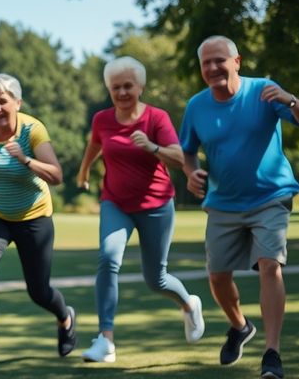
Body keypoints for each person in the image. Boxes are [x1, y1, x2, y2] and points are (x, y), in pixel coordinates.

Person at [180, 36, 299, 379]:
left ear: (237, 61)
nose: (213, 68)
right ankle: (240, 326)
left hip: (270, 197)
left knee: (270, 264)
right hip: (223, 203)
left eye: (219, 60)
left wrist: (288, 99)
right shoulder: (196, 106)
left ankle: (272, 353)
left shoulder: (264, 91)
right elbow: (187, 149)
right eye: (206, 63)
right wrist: (190, 171)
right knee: (217, 276)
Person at [76, 57, 205, 363]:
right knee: (108, 258)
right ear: (109, 89)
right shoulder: (102, 119)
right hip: (115, 203)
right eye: (115, 87)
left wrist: (152, 147)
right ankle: (105, 340)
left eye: (128, 86)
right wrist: (83, 172)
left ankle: (189, 305)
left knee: (155, 279)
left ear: (140, 87)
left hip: (156, 205)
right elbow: (94, 145)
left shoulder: (156, 118)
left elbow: (180, 157)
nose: (121, 92)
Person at [0, 73, 76, 373]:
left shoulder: (32, 130)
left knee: (39, 291)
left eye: (3, 101)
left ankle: (65, 317)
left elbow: (57, 175)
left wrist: (25, 159)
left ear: (17, 103)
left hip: (34, 217)